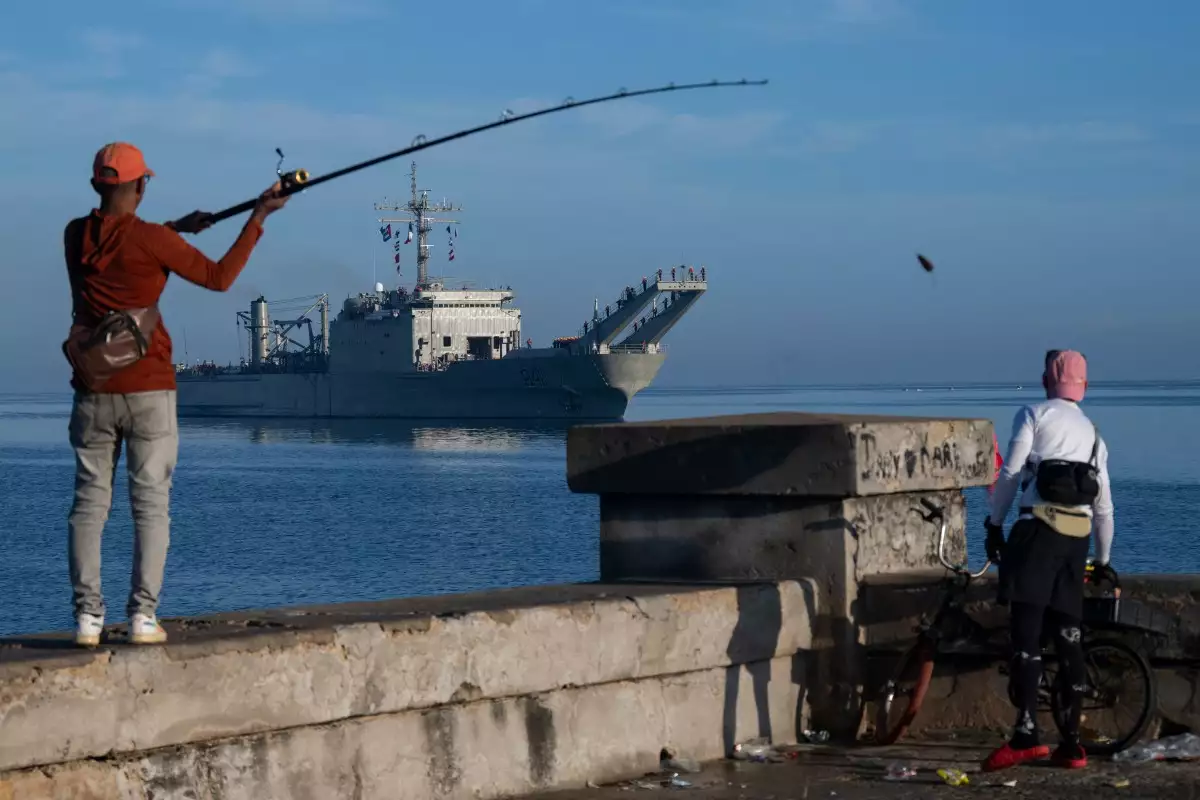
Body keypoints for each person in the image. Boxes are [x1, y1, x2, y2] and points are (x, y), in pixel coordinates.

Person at [64, 142, 289, 647]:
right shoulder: (152, 242)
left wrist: (174, 229)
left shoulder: (75, 235)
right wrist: (257, 217)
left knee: (88, 505)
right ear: (141, 185)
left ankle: (87, 620)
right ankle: (142, 618)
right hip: (149, 388)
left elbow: (121, 241)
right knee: (151, 506)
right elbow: (219, 276)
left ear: (98, 185)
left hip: (92, 388)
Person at [981, 350, 1116, 772]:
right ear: (1085, 388)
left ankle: (1026, 735)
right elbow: (1105, 509)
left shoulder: (1034, 414)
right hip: (1076, 543)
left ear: (1045, 381)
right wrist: (1103, 559)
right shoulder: (1095, 437)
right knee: (1069, 637)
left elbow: (1009, 473)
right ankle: (1072, 744)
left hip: (1036, 533)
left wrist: (993, 524)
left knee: (1027, 635)